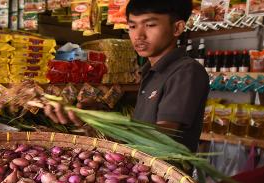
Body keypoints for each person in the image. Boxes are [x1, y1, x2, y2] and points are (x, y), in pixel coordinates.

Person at [45, 0, 210, 152]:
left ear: (177, 28)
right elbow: (139, 135)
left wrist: (106, 122)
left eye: (150, 25)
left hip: (166, 178)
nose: (139, 35)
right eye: (132, 26)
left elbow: (161, 138)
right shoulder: (150, 72)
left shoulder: (186, 71)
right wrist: (92, 116)